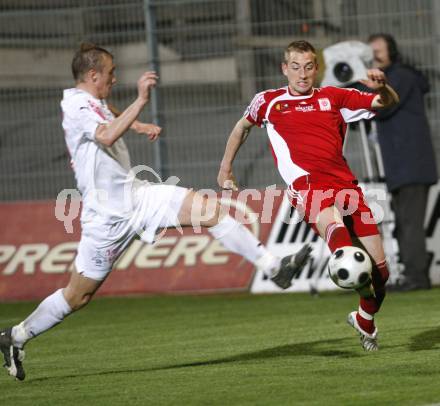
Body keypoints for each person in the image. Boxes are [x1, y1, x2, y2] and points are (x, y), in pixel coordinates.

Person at [0, 43, 312, 381]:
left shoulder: (92, 101)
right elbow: (104, 134)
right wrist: (141, 101)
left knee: (211, 211)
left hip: (140, 197)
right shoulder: (76, 105)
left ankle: (274, 267)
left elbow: (107, 114)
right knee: (78, 296)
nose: (115, 78)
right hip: (107, 219)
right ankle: (15, 337)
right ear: (92, 75)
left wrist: (137, 125)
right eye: (110, 73)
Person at [217, 40, 399, 352]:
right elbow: (241, 127)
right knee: (342, 245)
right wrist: (225, 169)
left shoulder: (333, 96)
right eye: (296, 67)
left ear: (317, 69)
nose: (303, 74)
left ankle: (365, 320)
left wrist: (383, 87)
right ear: (284, 69)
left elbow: (384, 103)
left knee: (381, 273)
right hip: (308, 187)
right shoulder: (269, 101)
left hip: (347, 186)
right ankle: (348, 271)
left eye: (309, 67)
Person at [368, 33, 438, 291]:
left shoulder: (401, 77)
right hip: (403, 165)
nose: (374, 56)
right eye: (371, 52)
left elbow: (383, 105)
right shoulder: (395, 77)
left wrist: (356, 87)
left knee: (410, 223)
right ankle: (413, 273)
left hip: (411, 165)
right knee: (406, 222)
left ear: (392, 52)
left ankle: (416, 277)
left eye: (378, 51)